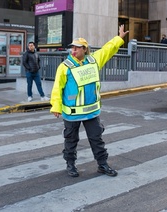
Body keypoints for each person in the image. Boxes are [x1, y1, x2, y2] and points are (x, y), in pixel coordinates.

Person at [50, 25, 129, 177]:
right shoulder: (64, 66)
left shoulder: (93, 61)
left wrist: (119, 38)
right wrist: (56, 106)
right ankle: (70, 164)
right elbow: (57, 88)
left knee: (96, 139)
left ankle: (102, 165)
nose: (73, 51)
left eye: (77, 48)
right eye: (72, 48)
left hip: (91, 112)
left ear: (85, 49)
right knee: (71, 141)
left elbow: (108, 49)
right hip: (72, 113)